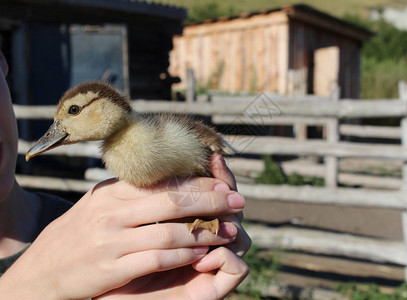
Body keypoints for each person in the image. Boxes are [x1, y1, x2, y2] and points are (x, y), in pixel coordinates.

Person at [0, 40, 250, 299]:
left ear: (2, 63)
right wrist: (30, 287)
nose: (56, 131)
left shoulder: (99, 238)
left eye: (73, 111)